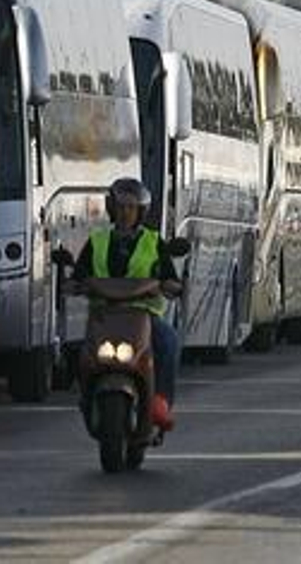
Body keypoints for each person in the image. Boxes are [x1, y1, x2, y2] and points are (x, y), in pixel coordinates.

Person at [69, 177, 182, 432]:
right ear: (111, 209)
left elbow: (171, 278)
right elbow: (79, 275)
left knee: (168, 342)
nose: (125, 213)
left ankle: (160, 402)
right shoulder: (97, 241)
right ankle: (86, 395)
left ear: (140, 211)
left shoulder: (153, 242)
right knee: (81, 352)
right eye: (120, 207)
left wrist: (171, 286)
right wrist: (72, 284)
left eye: (131, 207)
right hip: (104, 315)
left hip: (143, 315)